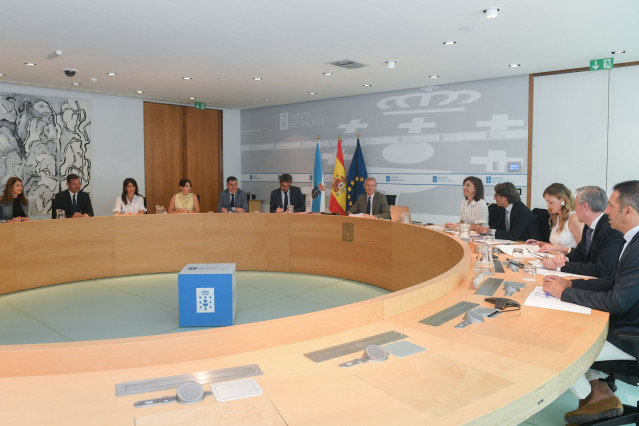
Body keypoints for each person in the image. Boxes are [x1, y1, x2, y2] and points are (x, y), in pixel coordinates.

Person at [543, 180, 639, 424]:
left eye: (610, 206)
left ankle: (593, 399)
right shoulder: (631, 240)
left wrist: (564, 294)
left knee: (554, 344)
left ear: (627, 211)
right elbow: (610, 281)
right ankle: (598, 394)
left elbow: (616, 301)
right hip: (624, 323)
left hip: (629, 336)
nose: (606, 211)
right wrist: (570, 285)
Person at [541, 186, 623, 277]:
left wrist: (559, 267)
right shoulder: (589, 226)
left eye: (576, 204)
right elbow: (579, 252)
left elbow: (601, 269)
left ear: (585, 206)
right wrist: (564, 259)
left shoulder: (610, 229)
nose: (574, 208)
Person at [527, 183, 583, 253]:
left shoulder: (574, 218)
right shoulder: (557, 216)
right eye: (546, 202)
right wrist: (540, 243)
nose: (548, 205)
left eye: (550, 202)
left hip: (569, 261)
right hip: (555, 258)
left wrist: (554, 247)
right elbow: (556, 246)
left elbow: (582, 251)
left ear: (562, 200)